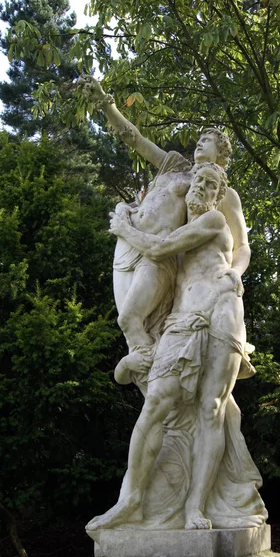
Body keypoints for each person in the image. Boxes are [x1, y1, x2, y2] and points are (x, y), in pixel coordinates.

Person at [87, 163, 266, 532]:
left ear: (220, 195)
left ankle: (195, 508)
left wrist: (123, 226)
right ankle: (130, 500)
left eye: (210, 183)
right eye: (198, 179)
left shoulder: (214, 221)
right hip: (183, 319)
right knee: (157, 402)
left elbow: (159, 247)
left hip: (221, 313)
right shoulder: (183, 222)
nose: (201, 185)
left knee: (210, 409)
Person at [78, 76, 250, 370]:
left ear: (221, 154)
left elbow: (240, 244)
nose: (198, 142)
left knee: (131, 319)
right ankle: (149, 372)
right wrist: (105, 103)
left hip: (160, 258)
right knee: (131, 322)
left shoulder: (218, 191)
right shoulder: (174, 164)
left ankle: (152, 375)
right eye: (198, 139)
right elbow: (134, 138)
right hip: (133, 248)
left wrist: (234, 273)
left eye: (206, 140)